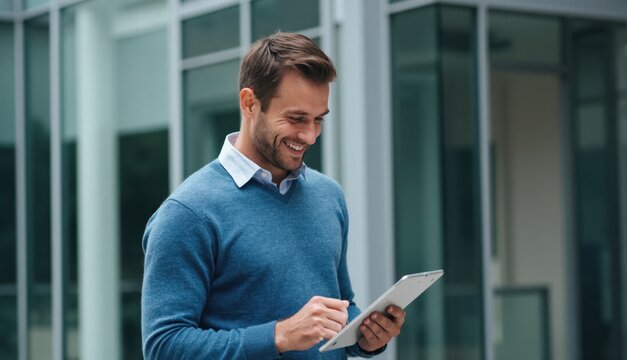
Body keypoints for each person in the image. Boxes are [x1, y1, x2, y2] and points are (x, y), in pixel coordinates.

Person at [141, 32, 405, 359]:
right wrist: (278, 336)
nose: (309, 135)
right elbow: (164, 347)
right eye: (295, 119)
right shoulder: (187, 213)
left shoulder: (328, 196)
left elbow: (340, 309)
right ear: (250, 103)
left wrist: (365, 336)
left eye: (318, 120)